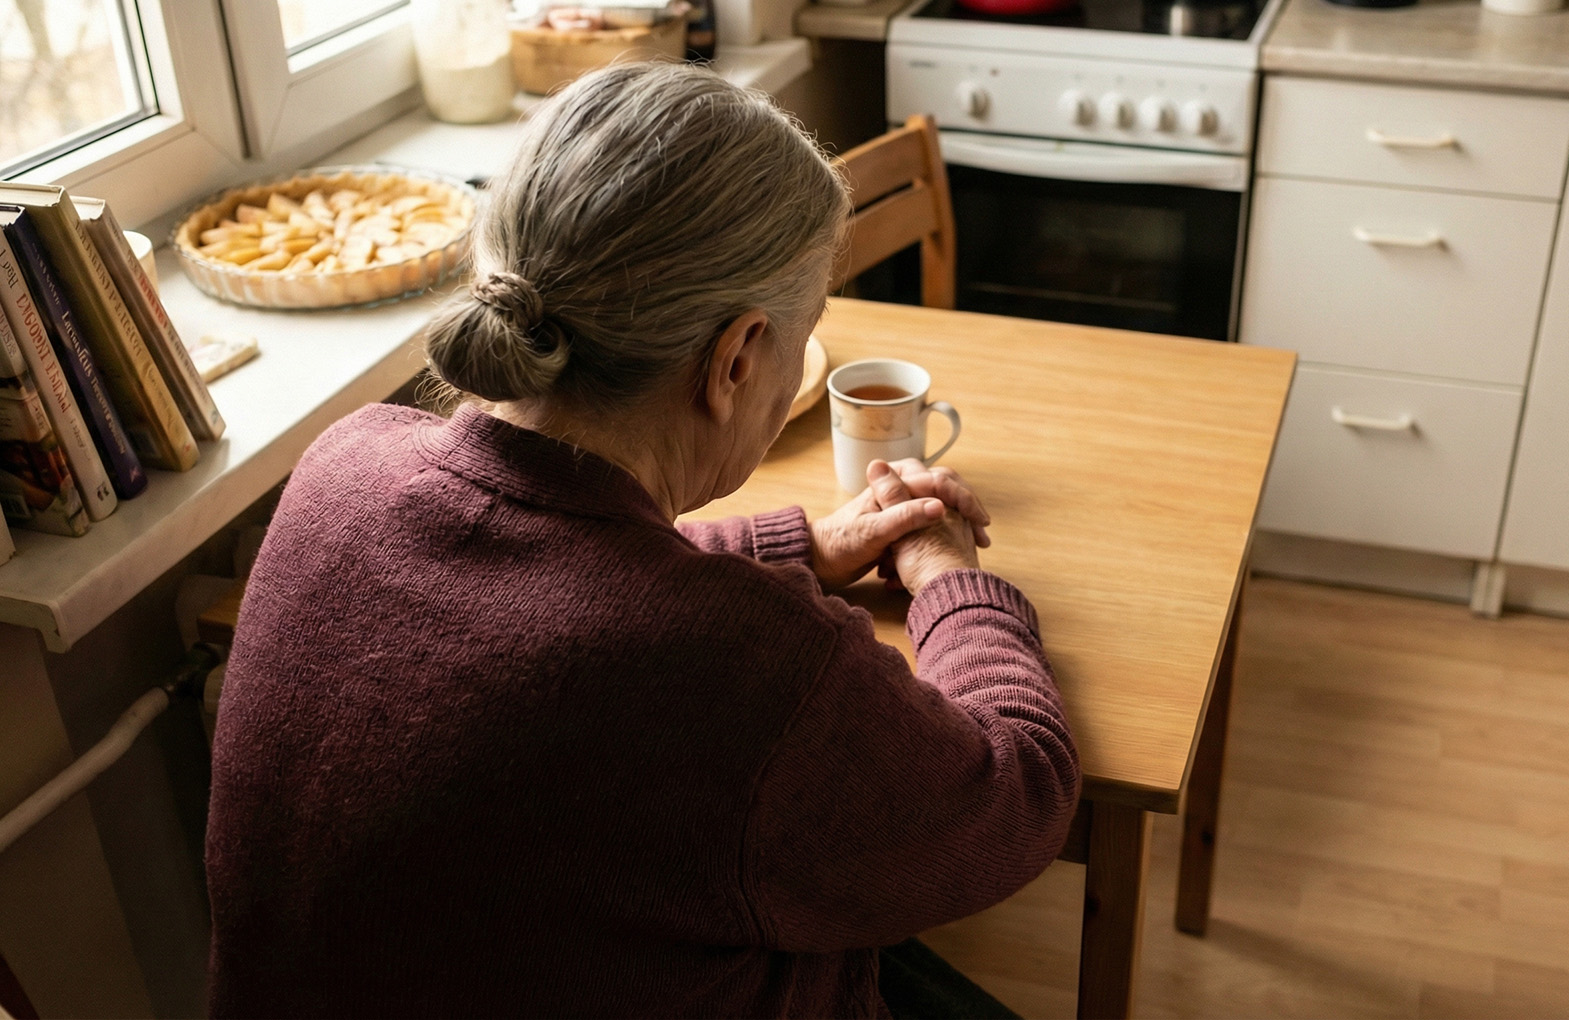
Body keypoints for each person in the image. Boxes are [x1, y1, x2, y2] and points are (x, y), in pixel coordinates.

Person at [205, 62, 1079, 1018]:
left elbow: (562, 581)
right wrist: (951, 579)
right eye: (805, 332)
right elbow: (1015, 796)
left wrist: (798, 544)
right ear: (736, 360)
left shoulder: (344, 466)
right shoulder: (749, 663)